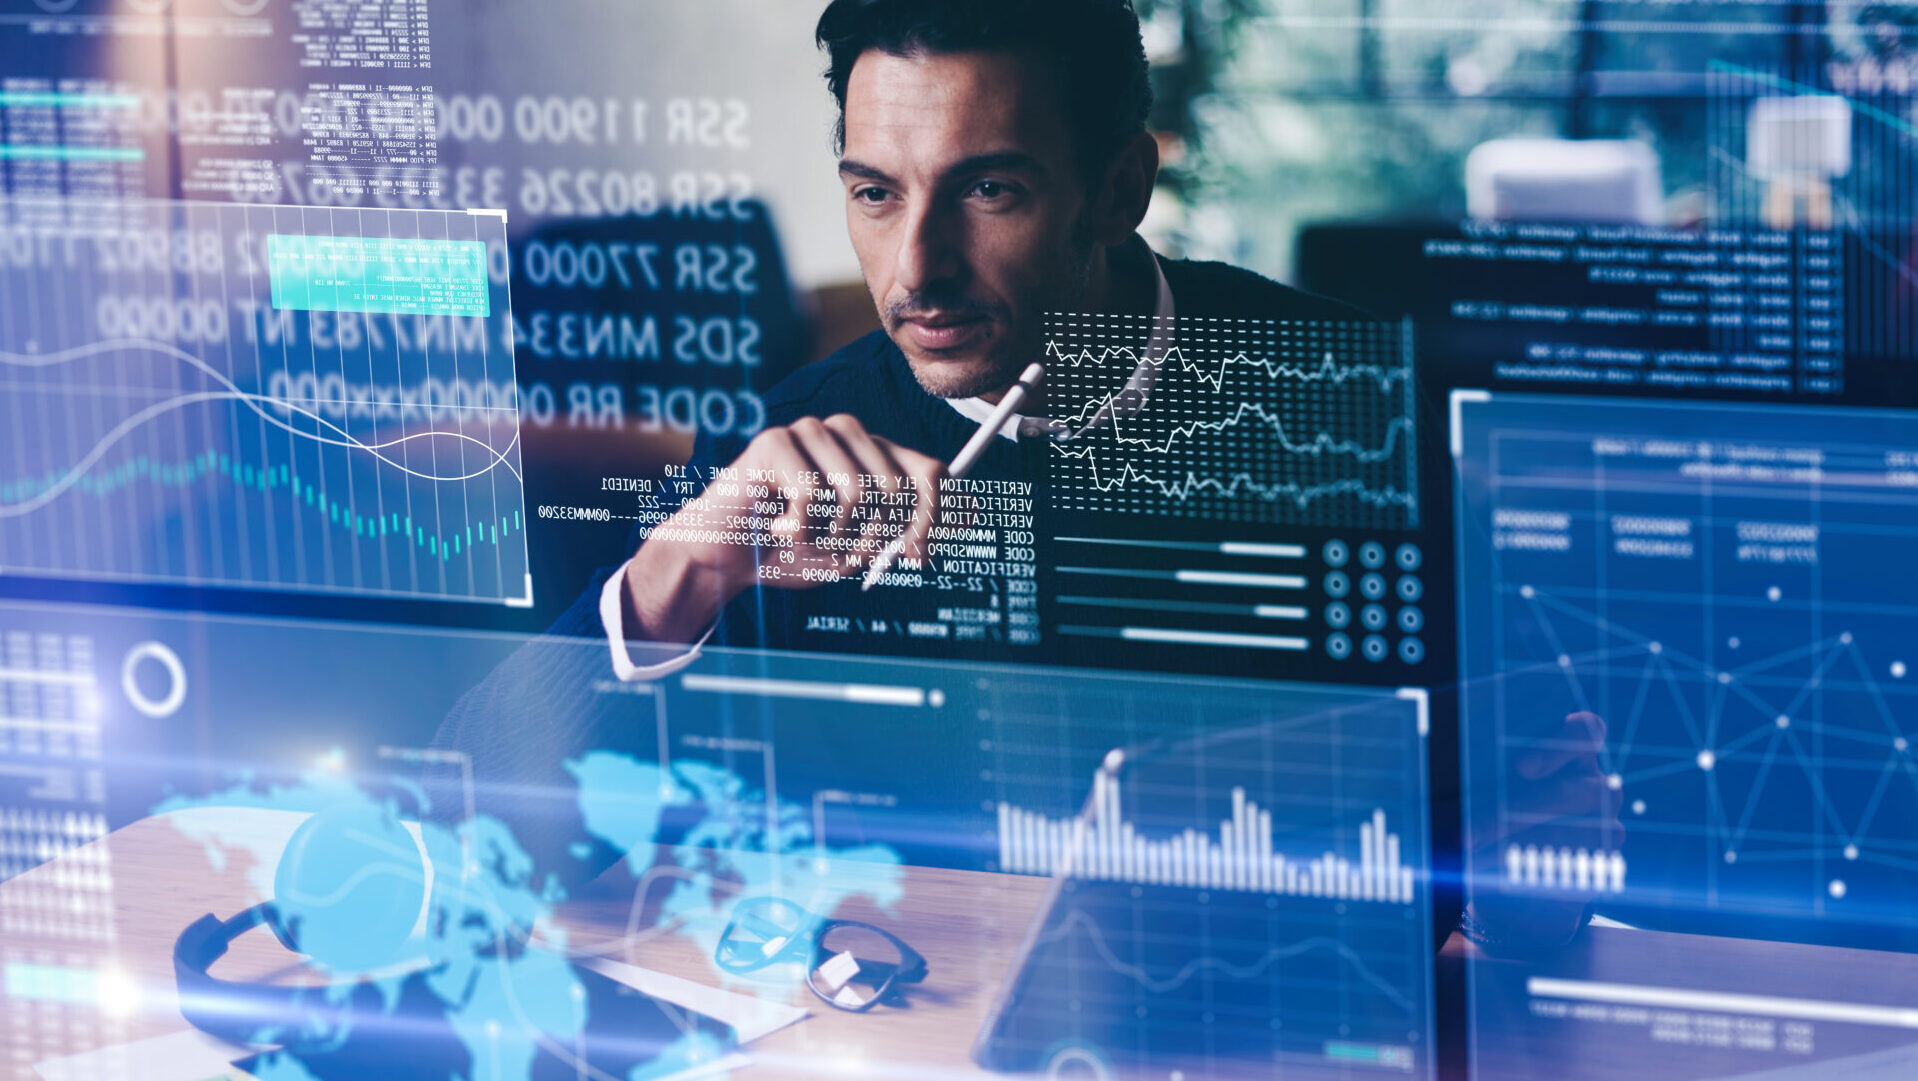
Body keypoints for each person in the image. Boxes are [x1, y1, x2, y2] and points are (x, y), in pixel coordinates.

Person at [431, 0, 1619, 952]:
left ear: (1117, 189)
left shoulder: (1343, 390)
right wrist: (673, 573)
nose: (917, 269)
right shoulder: (792, 437)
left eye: (987, 189)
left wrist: (1536, 876)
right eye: (873, 192)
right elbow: (479, 832)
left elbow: (1528, 870)